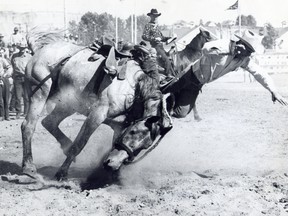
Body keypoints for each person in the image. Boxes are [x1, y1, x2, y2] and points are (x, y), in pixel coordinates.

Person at [162, 30, 288, 118]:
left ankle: (162, 113)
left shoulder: (243, 60)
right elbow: (205, 49)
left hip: (197, 84)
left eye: (251, 52)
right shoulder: (224, 44)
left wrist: (273, 91)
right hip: (188, 75)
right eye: (248, 50)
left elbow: (260, 73)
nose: (249, 54)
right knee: (162, 90)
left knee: (181, 113)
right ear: (241, 45)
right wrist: (227, 50)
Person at [142, 9, 174, 77]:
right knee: (166, 60)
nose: (155, 18)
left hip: (161, 47)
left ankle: (172, 73)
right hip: (155, 47)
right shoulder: (148, 25)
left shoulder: (157, 27)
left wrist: (170, 38)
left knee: (171, 58)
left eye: (156, 16)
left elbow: (162, 38)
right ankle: (168, 76)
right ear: (150, 16)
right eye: (154, 16)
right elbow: (144, 36)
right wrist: (154, 39)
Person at [11, 43, 32, 119]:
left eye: (24, 48)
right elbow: (13, 66)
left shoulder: (29, 57)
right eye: (21, 48)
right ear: (19, 48)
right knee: (18, 96)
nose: (22, 49)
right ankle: (18, 112)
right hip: (17, 78)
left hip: (26, 78)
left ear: (26, 48)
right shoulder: (14, 56)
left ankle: (26, 112)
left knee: (26, 97)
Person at [0, 54, 13, 121]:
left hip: (3, 79)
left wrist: (6, 74)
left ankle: (7, 115)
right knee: (0, 99)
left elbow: (9, 67)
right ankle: (1, 115)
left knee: (6, 98)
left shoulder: (2, 60)